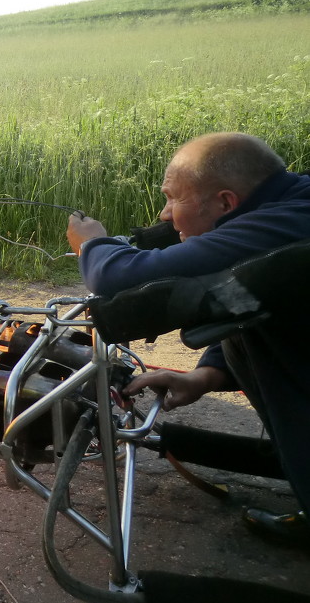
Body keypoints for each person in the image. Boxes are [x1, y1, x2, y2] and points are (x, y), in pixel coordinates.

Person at [66, 132, 310, 547]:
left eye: (173, 199)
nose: (164, 215)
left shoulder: (282, 224)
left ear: (226, 203)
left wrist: (91, 243)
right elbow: (247, 299)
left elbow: (117, 277)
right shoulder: (285, 203)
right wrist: (206, 377)